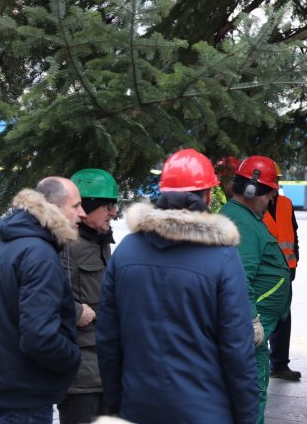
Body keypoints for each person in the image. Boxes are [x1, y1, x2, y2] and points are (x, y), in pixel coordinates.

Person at [96, 149, 257, 423]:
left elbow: (108, 340)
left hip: (138, 407)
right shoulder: (222, 257)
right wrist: (247, 415)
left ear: (162, 194)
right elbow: (237, 349)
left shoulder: (125, 252)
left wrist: (116, 404)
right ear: (207, 195)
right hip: (205, 411)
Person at [0, 177, 85, 423]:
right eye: (76, 206)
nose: (82, 213)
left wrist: (5, 342)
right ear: (54, 208)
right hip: (23, 400)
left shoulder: (4, 244)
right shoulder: (40, 254)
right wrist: (73, 358)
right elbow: (39, 338)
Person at [219, 155, 290, 424]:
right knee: (251, 391)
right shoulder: (241, 222)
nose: (271, 200)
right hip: (251, 324)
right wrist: (251, 318)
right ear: (252, 190)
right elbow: (239, 276)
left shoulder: (243, 217)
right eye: (269, 194)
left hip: (257, 320)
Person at [58, 169, 119, 424]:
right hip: (81, 379)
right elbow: (41, 299)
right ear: (87, 206)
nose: (114, 212)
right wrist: (75, 312)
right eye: (108, 206)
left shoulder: (100, 241)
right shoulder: (63, 245)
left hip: (109, 371)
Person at [263, 163, 301, 381]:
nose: (275, 184)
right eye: (272, 180)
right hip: (265, 272)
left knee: (283, 317)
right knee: (264, 317)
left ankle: (279, 363)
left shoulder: (286, 204)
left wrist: (295, 263)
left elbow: (293, 237)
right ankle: (262, 362)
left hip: (286, 271)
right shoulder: (255, 205)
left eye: (276, 180)